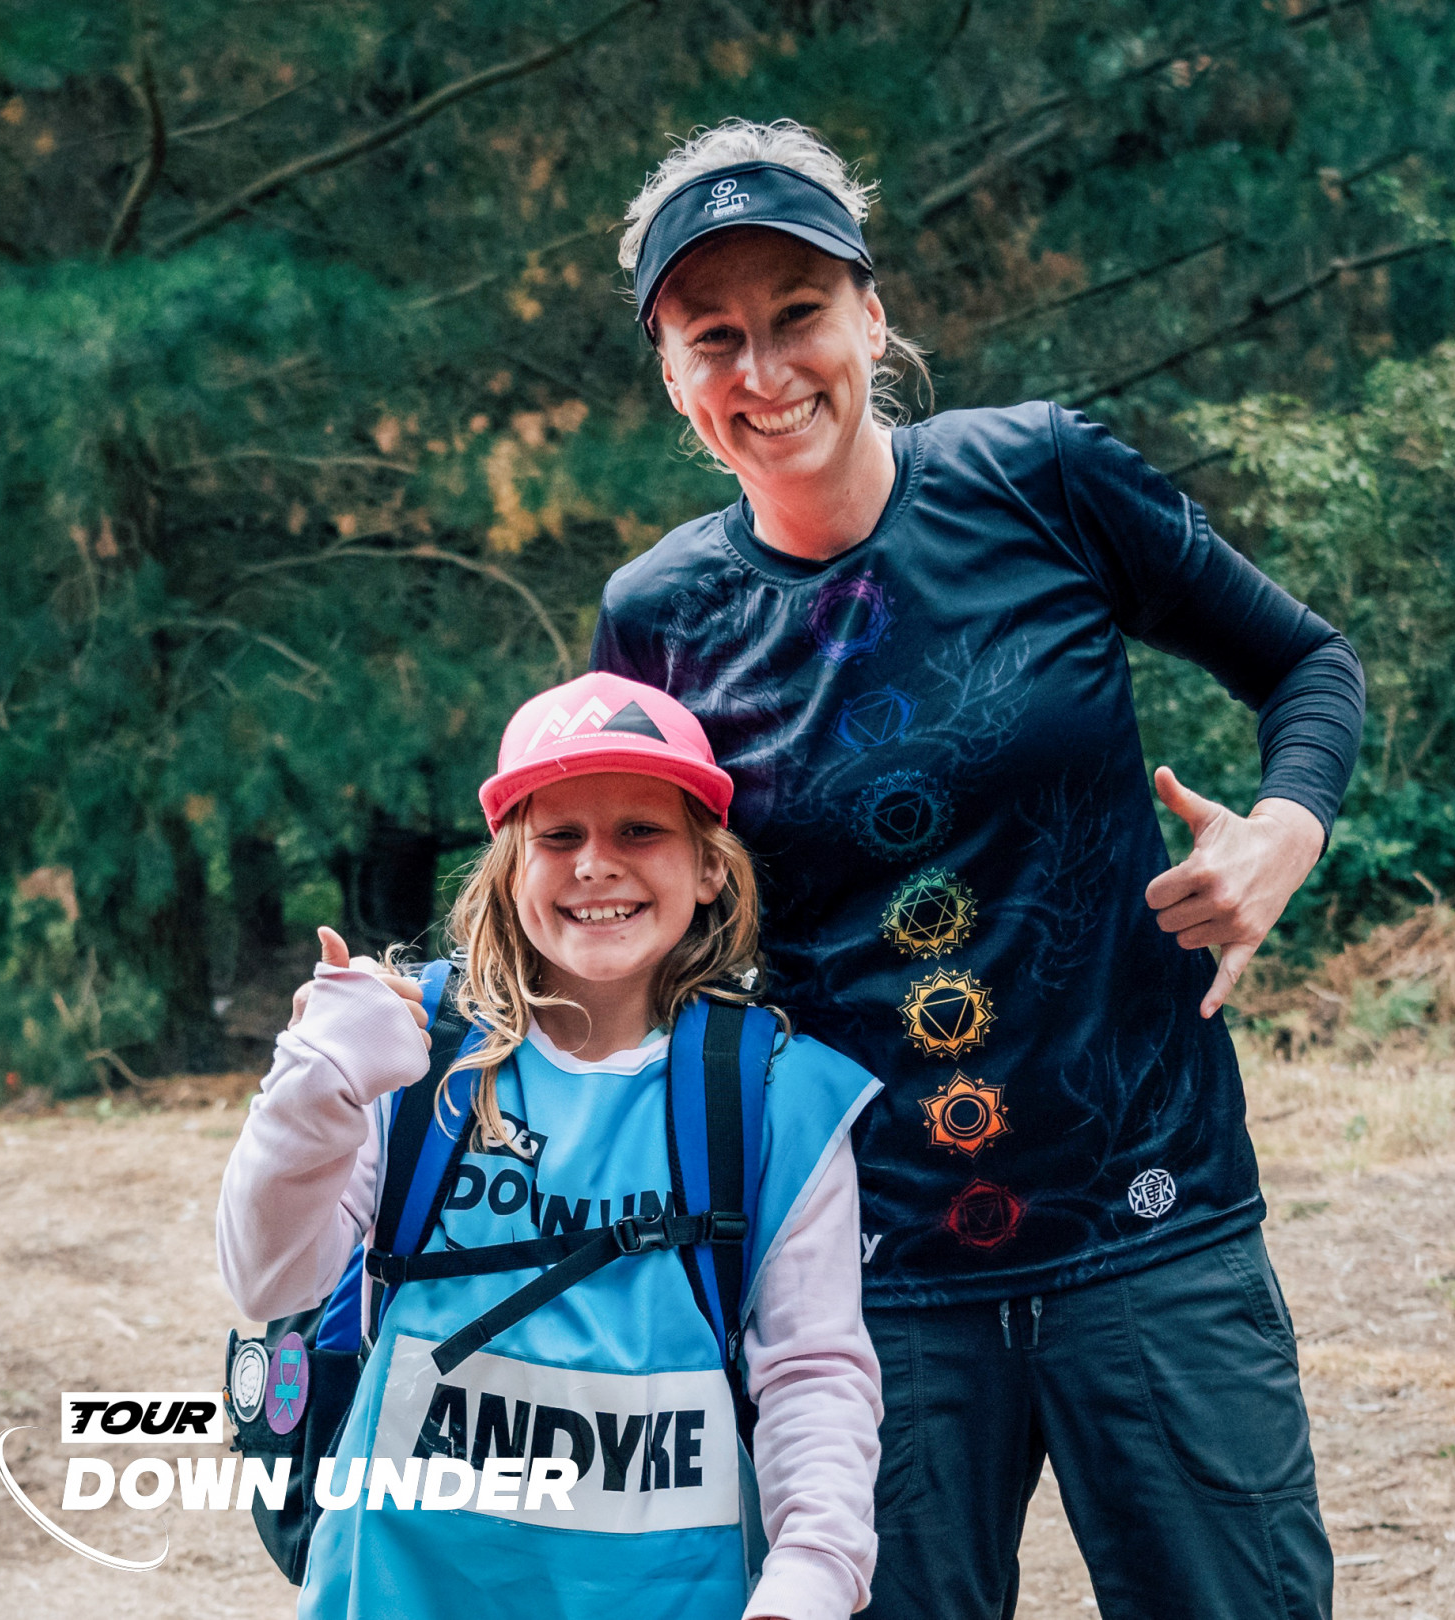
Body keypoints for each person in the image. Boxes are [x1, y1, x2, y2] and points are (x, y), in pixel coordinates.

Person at [589, 119, 1367, 1620]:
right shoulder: (660, 618)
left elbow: (1305, 665)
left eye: (798, 314)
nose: (765, 369)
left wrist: (1284, 830)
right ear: (675, 379)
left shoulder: (1042, 478)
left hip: (1154, 1219)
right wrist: (446, 1032)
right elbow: (624, 911)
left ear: (873, 319)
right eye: (714, 338)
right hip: (860, 1278)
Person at [216, 671, 884, 1620]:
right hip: (401, 1589)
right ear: (509, 871)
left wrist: (812, 1574)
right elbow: (268, 1279)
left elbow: (813, 1377)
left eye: (640, 831)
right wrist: (313, 1083)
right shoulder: (409, 1050)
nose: (595, 865)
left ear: (708, 869)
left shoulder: (777, 1094)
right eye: (558, 837)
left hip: (670, 1598)